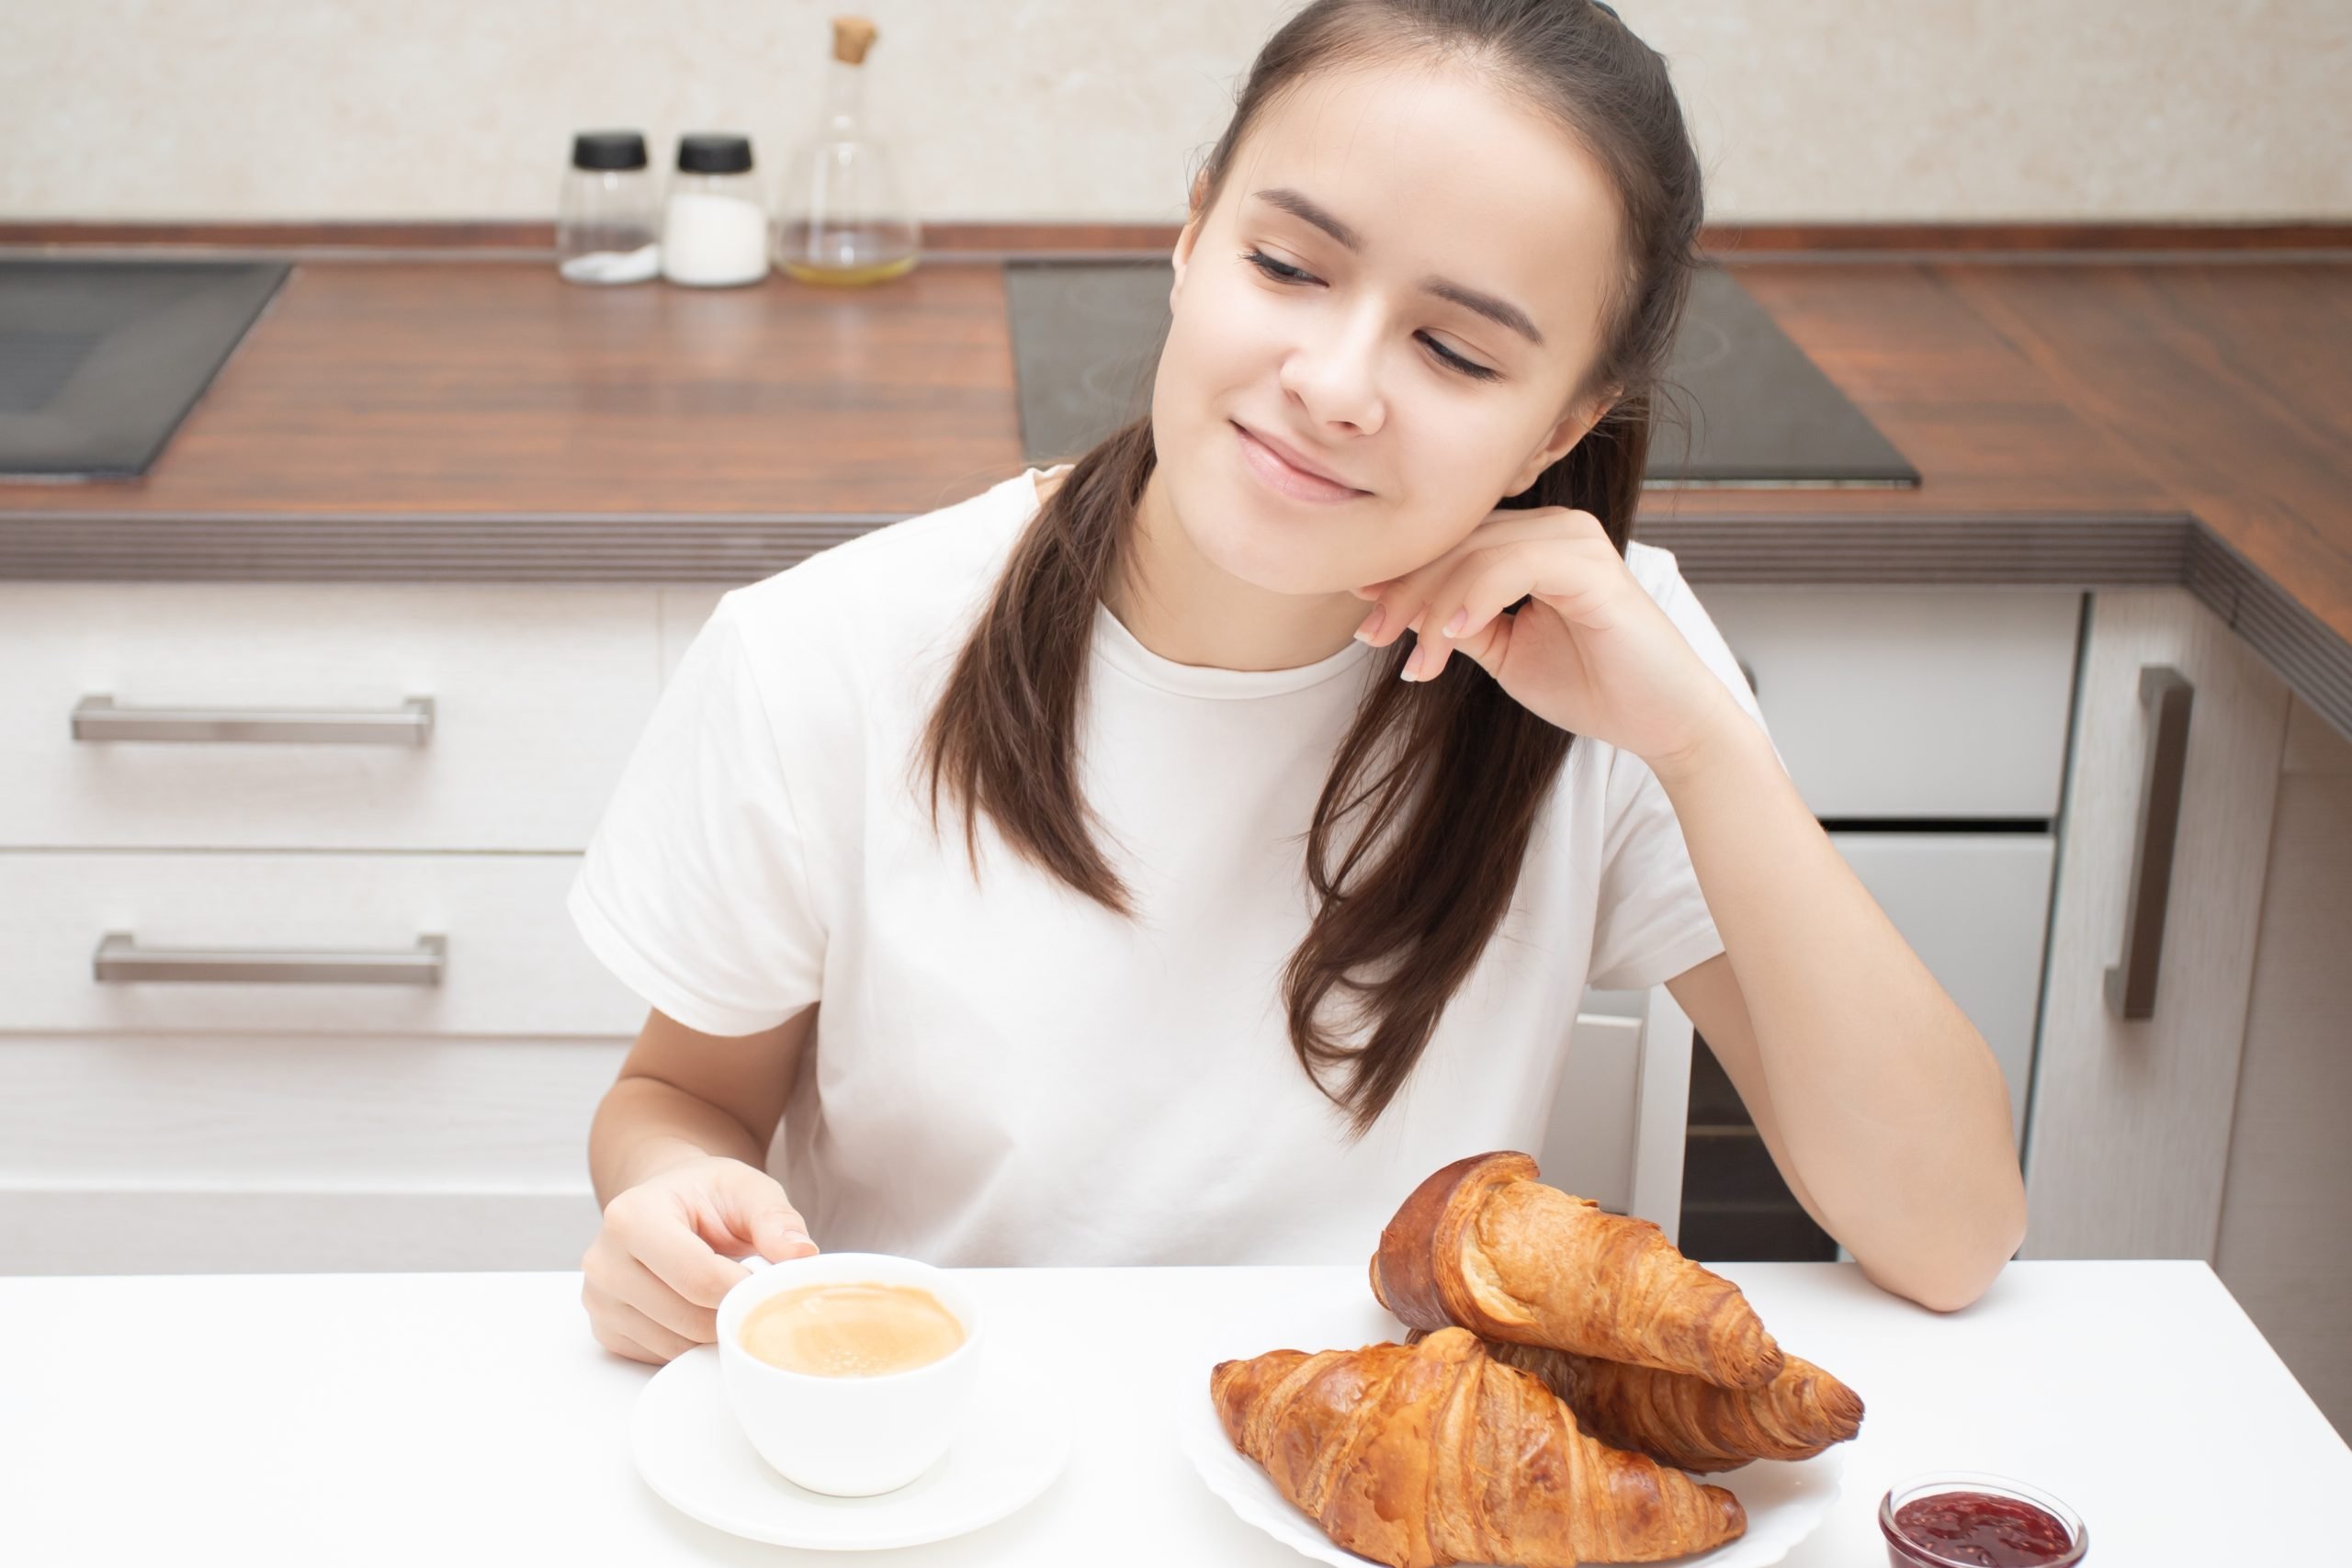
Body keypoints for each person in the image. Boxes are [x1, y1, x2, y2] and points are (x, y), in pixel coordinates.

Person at [572, 0, 2028, 1368]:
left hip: (1372, 1497)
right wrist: (676, 1208)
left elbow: (1950, 1236)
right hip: (951, 1463)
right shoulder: (830, 650)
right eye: (1286, 267)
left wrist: (1704, 749)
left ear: (1560, 429)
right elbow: (685, 1097)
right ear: (1194, 234)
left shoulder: (1608, 669)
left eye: (1455, 350)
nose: (1336, 381)